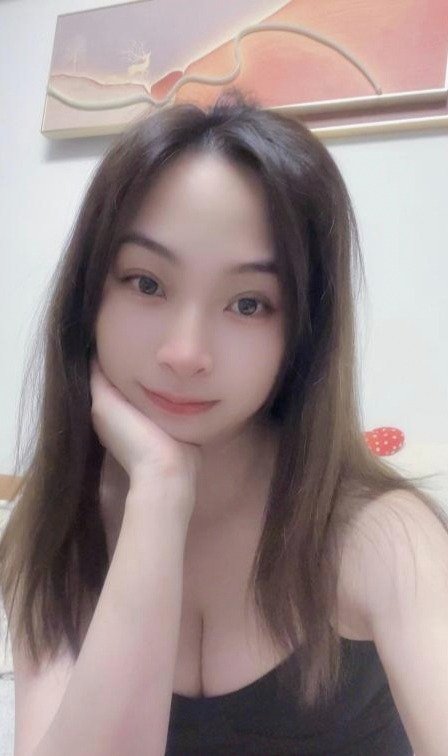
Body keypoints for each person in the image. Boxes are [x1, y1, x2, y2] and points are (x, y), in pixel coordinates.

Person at [1, 90, 447, 756]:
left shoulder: (378, 536)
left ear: (303, 331)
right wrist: (158, 494)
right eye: (146, 283)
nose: (185, 354)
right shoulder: (55, 529)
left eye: (248, 303)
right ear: (89, 294)